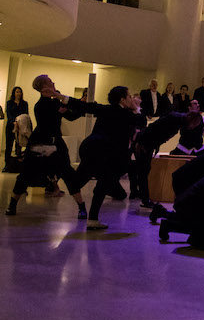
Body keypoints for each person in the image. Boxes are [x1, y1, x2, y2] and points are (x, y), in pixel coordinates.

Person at [45, 85, 140, 229]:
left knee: (79, 181)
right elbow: (142, 121)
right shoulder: (126, 115)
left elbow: (84, 106)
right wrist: (135, 108)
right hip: (104, 154)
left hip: (90, 148)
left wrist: (59, 96)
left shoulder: (106, 109)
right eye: (129, 96)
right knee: (101, 185)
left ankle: (60, 171)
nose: (131, 98)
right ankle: (92, 219)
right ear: (122, 100)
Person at [6, 76, 87, 218]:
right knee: (26, 174)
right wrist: (62, 107)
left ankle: (81, 207)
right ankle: (12, 205)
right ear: (44, 87)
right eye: (50, 82)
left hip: (55, 142)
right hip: (40, 143)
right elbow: (50, 118)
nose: (54, 83)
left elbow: (70, 116)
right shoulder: (42, 104)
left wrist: (81, 107)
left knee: (68, 173)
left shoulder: (55, 101)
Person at [134, 110, 203, 207]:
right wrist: (140, 142)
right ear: (190, 118)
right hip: (145, 144)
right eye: (193, 124)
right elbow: (153, 128)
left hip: (148, 144)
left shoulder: (177, 120)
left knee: (144, 170)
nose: (192, 127)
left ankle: (141, 196)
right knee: (143, 171)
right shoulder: (174, 119)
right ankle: (144, 199)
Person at [4, 87, 28, 172]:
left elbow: (25, 115)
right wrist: (14, 122)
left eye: (20, 92)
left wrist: (19, 122)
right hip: (11, 126)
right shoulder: (9, 103)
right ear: (14, 93)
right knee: (9, 145)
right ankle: (7, 165)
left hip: (20, 127)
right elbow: (8, 114)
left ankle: (18, 165)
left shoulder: (24, 103)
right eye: (17, 92)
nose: (18, 94)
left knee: (19, 146)